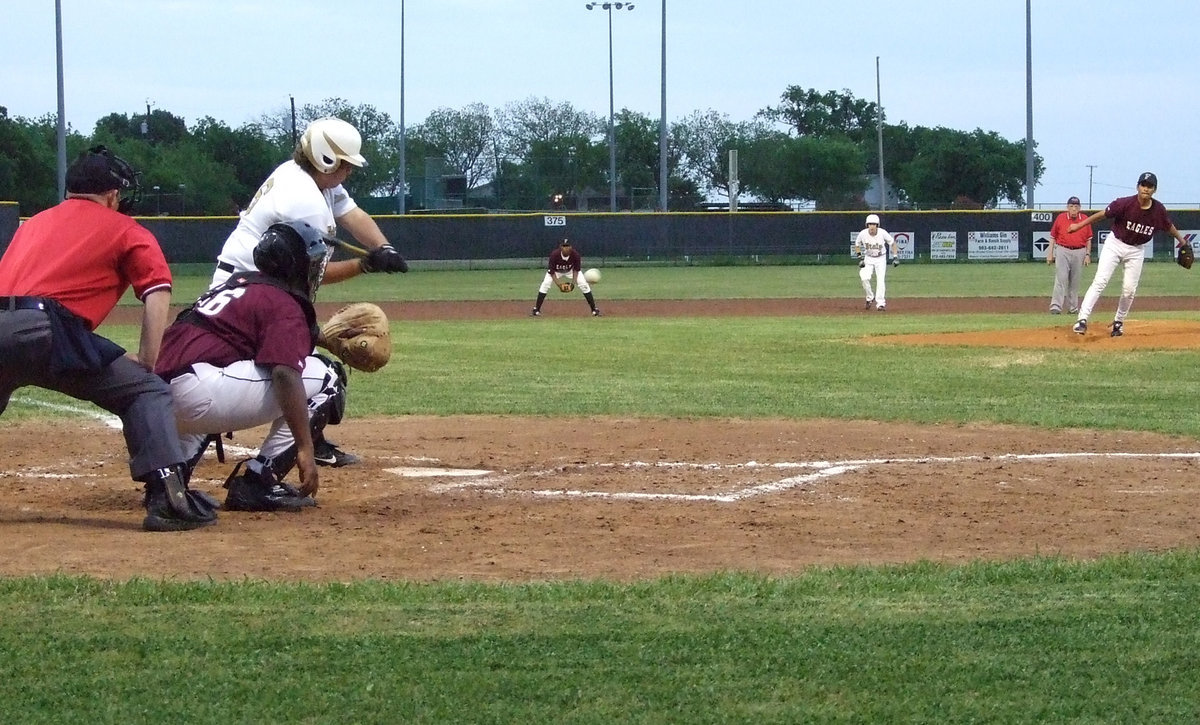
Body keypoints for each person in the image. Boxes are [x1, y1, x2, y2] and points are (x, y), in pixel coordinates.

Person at [0, 146, 217, 532]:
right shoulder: (127, 229)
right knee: (145, 391)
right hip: (49, 330)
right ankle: (168, 497)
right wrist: (148, 360)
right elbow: (157, 292)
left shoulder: (32, 224)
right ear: (113, 194)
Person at [209, 117, 408, 468]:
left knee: (301, 360)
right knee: (322, 376)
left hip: (240, 290)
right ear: (326, 159)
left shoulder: (301, 174)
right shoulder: (306, 203)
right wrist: (366, 265)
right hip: (249, 297)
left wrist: (384, 246)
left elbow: (351, 212)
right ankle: (271, 465)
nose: (349, 171)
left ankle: (200, 435)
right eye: (345, 164)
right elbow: (314, 276)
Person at [157, 220, 340, 511]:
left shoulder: (238, 284)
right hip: (197, 395)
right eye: (313, 262)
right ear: (294, 265)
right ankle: (259, 482)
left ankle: (169, 484)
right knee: (328, 376)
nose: (315, 269)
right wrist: (305, 447)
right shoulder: (284, 302)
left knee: (214, 370)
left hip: (157, 402)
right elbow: (284, 374)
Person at [1070, 172, 1189, 337]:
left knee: (1129, 290)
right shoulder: (1124, 203)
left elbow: (1169, 226)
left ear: (1154, 190)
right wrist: (1079, 226)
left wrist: (1182, 241)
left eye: (1150, 186)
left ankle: (1118, 322)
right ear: (1138, 186)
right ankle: (1082, 319)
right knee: (1100, 281)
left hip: (1136, 250)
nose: (1146, 189)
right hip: (1115, 244)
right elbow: (1102, 215)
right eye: (1143, 185)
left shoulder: (1158, 210)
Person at [529, 238, 601, 317]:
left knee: (584, 284)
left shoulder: (575, 255)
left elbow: (576, 270)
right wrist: (559, 285)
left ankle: (594, 309)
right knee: (545, 284)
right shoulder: (554, 255)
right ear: (560, 247)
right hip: (556, 271)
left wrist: (572, 284)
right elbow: (552, 272)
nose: (566, 248)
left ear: (571, 247)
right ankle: (536, 310)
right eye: (564, 246)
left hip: (571, 271)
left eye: (567, 246)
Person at [1046, 196, 1093, 315]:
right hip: (1063, 250)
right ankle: (1056, 307)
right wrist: (1050, 253)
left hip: (1080, 251)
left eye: (1076, 206)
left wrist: (1087, 254)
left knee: (1075, 281)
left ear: (1080, 208)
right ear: (1067, 207)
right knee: (1060, 279)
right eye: (1071, 206)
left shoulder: (1084, 219)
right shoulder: (1061, 218)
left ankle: (1073, 308)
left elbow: (1088, 239)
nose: (1073, 209)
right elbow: (1052, 237)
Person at [854, 213, 898, 311]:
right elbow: (857, 244)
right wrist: (860, 257)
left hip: (880, 258)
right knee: (864, 277)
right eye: (870, 224)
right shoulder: (863, 233)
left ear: (877, 225)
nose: (872, 226)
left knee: (880, 280)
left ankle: (880, 304)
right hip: (868, 258)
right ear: (867, 225)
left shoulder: (882, 233)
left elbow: (893, 243)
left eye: (874, 224)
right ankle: (870, 297)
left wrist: (895, 257)